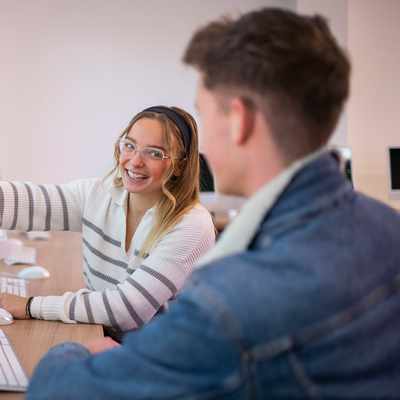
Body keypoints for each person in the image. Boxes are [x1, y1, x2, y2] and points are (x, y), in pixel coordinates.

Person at [27, 7, 400, 399]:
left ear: (239, 121)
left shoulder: (230, 300)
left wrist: (71, 352)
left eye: (204, 114)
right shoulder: (388, 229)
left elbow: (60, 390)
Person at [0, 106, 215, 335]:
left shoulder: (191, 225)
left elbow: (127, 310)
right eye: (130, 146)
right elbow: (22, 201)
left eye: (153, 153)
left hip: (166, 358)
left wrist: (29, 306)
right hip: (114, 342)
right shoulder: (100, 194)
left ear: (180, 165)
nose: (134, 162)